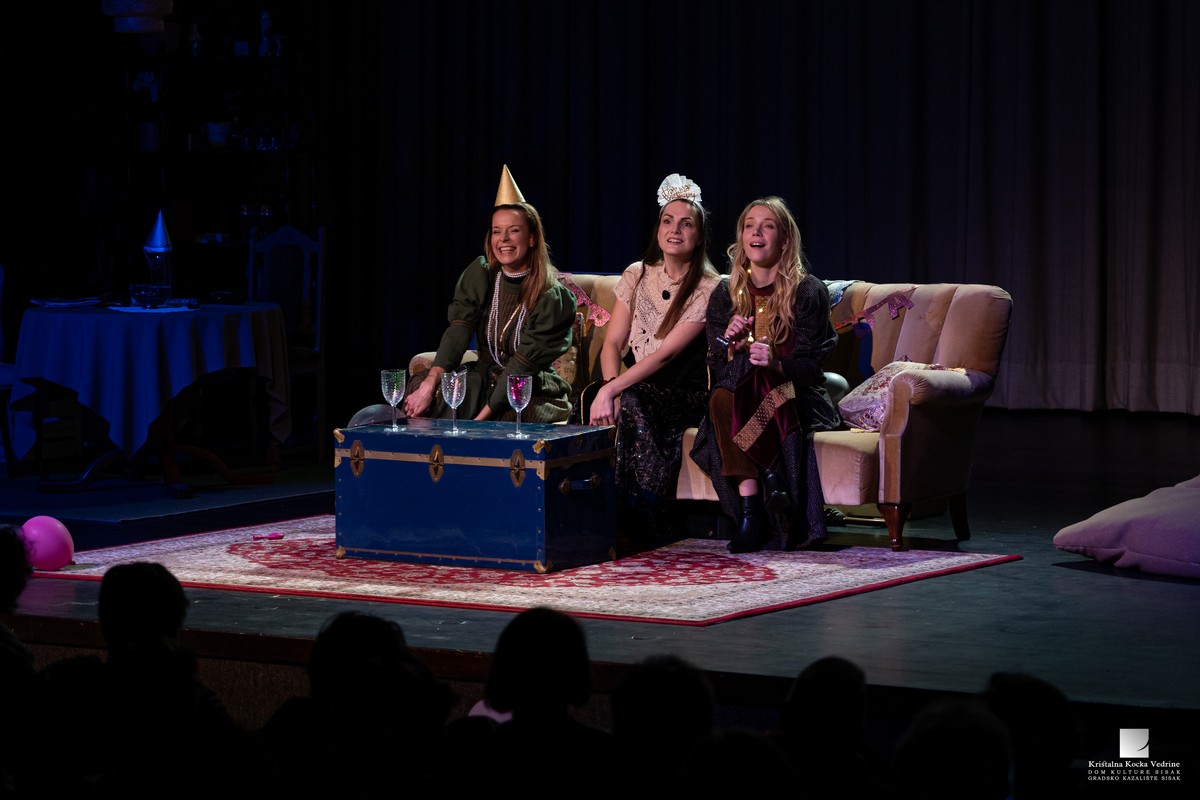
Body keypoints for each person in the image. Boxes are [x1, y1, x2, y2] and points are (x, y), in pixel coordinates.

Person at [690, 196, 840, 553]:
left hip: (797, 397)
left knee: (740, 391)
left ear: (784, 240)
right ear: (742, 238)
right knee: (725, 394)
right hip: (738, 396)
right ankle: (765, 488)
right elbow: (718, 368)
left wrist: (777, 363)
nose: (756, 232)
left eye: (767, 226)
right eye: (749, 226)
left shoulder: (808, 291)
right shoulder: (725, 294)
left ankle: (752, 514)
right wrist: (731, 347)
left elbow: (811, 368)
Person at [587, 173, 720, 549]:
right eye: (667, 221)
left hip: (685, 394)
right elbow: (612, 344)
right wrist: (609, 389)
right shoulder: (637, 274)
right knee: (626, 399)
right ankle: (620, 515)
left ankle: (643, 513)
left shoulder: (709, 287)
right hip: (637, 388)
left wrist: (614, 389)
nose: (675, 230)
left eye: (686, 224)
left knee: (634, 399)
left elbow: (666, 355)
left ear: (699, 235)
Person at [403, 165, 577, 425]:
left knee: (508, 413)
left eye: (514, 230)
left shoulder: (552, 297)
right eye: (497, 231)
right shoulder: (482, 275)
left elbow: (520, 370)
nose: (503, 239)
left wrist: (479, 422)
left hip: (526, 388)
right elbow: (458, 333)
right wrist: (430, 382)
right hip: (483, 379)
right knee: (431, 390)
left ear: (532, 238)